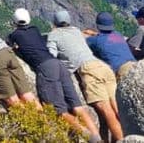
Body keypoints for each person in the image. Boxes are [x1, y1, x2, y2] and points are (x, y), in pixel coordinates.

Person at [8, 8, 102, 143]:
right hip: (59, 65)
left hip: (45, 68)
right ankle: (98, 138)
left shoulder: (14, 35)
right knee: (78, 108)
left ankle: (88, 137)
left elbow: (11, 46)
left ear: (15, 21)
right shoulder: (34, 29)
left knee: (58, 111)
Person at [48, 10, 124, 142]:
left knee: (107, 112)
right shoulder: (76, 31)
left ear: (54, 23)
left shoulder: (53, 35)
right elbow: (86, 35)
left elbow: (51, 55)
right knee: (116, 109)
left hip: (89, 70)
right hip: (104, 68)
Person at [84, 12, 136, 79]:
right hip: (134, 65)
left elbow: (85, 42)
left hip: (121, 71)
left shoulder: (95, 40)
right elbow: (107, 39)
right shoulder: (118, 35)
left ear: (97, 25)